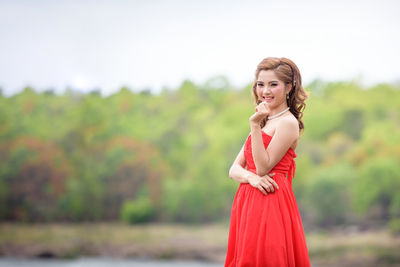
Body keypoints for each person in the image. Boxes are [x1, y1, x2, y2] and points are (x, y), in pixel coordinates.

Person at [224, 57, 311, 267]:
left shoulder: (288, 123)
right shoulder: (264, 121)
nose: (265, 91)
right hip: (248, 201)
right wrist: (251, 178)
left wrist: (254, 126)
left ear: (289, 87)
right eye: (260, 85)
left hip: (270, 200)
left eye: (273, 84)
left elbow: (264, 166)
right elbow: (234, 169)